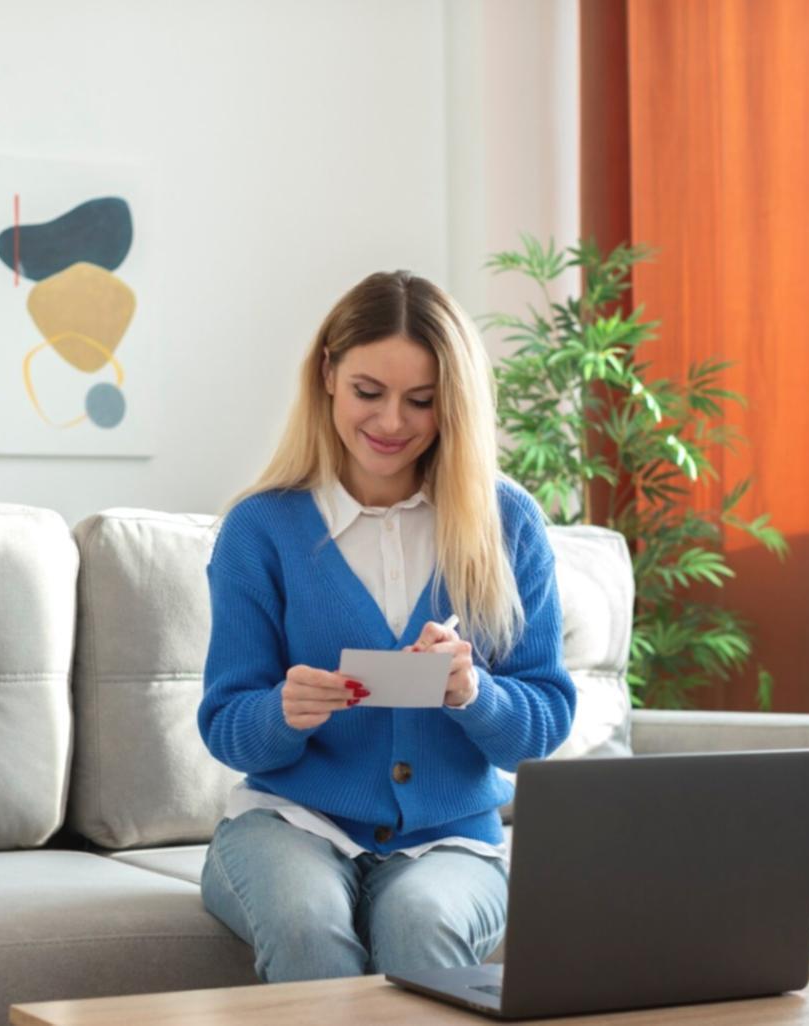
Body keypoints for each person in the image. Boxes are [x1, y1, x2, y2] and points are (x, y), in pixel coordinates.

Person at [196, 270, 576, 983]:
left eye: (421, 401)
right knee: (304, 923)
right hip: (289, 824)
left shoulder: (506, 523)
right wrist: (282, 711)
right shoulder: (261, 528)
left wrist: (474, 694)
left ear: (453, 404)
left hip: (452, 843)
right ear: (328, 375)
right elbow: (223, 722)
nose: (392, 422)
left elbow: (545, 720)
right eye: (369, 392)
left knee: (421, 921)